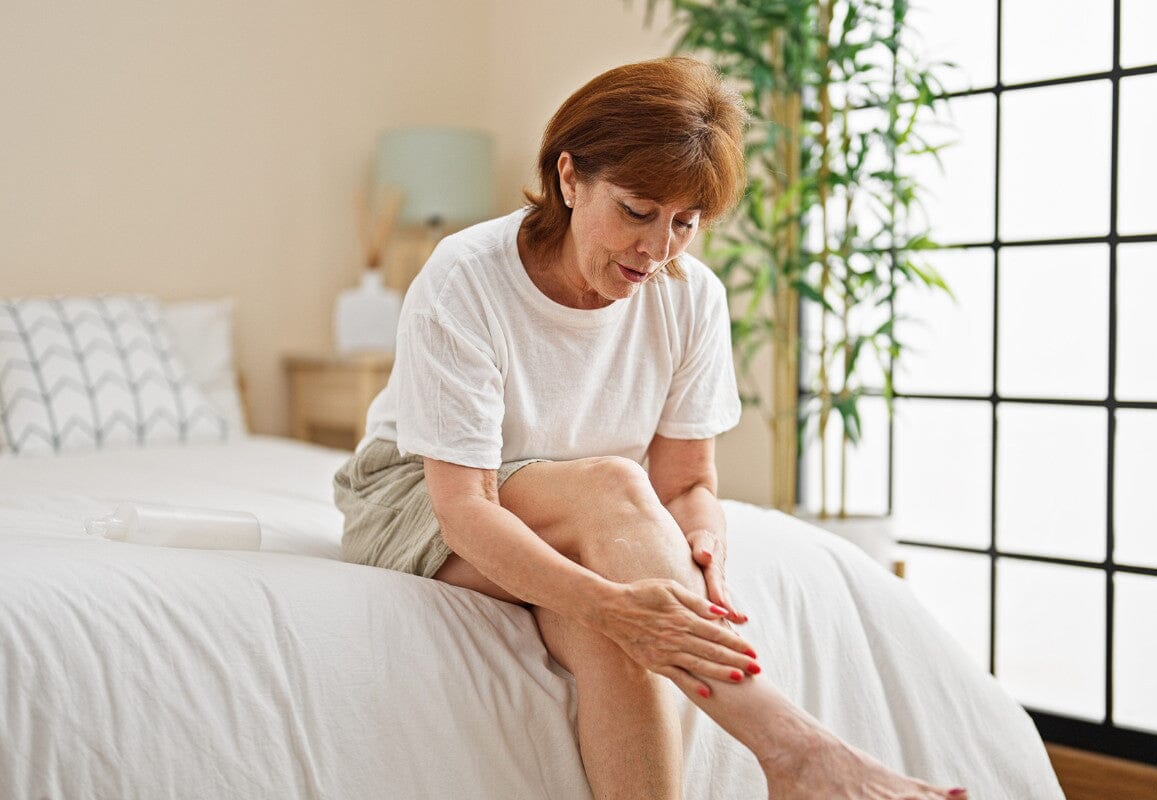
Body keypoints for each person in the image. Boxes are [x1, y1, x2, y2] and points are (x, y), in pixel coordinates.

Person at [333, 56, 968, 800]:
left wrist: (700, 542)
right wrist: (611, 599)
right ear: (569, 178)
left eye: (685, 224)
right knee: (613, 501)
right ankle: (793, 748)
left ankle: (787, 758)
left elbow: (689, 483)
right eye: (637, 211)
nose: (657, 249)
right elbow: (464, 505)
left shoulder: (690, 296)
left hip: (580, 520)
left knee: (619, 639)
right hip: (422, 504)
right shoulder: (467, 275)